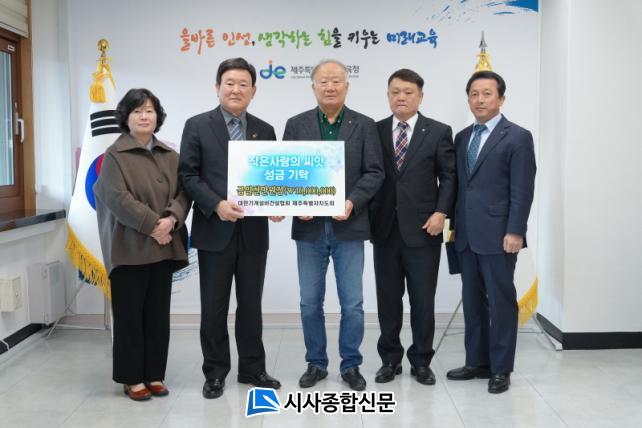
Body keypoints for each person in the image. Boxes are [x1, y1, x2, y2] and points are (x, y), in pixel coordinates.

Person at [178, 57, 281, 399]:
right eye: (230, 83)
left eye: (243, 84)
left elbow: (271, 177)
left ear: (253, 90)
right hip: (214, 230)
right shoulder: (197, 125)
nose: (236, 90)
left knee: (251, 306)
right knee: (214, 306)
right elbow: (188, 175)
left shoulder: (265, 130)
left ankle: (252, 368)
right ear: (217, 87)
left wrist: (277, 204)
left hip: (254, 234)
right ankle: (215, 372)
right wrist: (216, 204)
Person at [283, 59, 384, 391]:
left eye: (336, 81)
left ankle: (351, 364)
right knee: (309, 302)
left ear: (347, 86)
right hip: (309, 229)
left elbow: (375, 172)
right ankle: (316, 363)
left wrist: (352, 201)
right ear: (313, 86)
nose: (330, 86)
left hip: (349, 227)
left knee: (352, 304)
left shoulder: (364, 125)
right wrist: (296, 202)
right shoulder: (296, 124)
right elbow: (286, 172)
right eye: (323, 81)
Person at [94, 88, 190, 401]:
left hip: (164, 247)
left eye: (149, 110)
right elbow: (117, 198)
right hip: (129, 249)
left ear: (157, 116)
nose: (144, 116)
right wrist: (153, 225)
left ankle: (154, 374)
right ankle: (132, 378)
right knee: (129, 317)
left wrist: (171, 220)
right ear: (126, 117)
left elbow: (184, 193)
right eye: (137, 111)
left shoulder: (170, 155)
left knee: (157, 316)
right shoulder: (114, 155)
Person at [446, 70, 536, 394]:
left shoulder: (518, 136)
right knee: (472, 302)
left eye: (487, 94)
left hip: (500, 235)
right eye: (474, 94)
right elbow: (460, 187)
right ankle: (477, 362)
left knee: (501, 303)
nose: (479, 100)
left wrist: (516, 231)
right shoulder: (462, 137)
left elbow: (522, 189)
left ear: (501, 98)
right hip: (466, 235)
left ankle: (500, 368)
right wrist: (453, 227)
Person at [369, 69, 456, 385]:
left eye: (408, 92)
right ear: (388, 95)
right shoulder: (374, 130)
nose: (401, 97)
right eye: (395, 92)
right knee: (388, 300)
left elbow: (449, 176)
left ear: (420, 96)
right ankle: (389, 360)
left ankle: (421, 361)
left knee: (422, 300)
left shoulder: (438, 131)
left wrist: (441, 212)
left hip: (424, 229)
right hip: (384, 230)